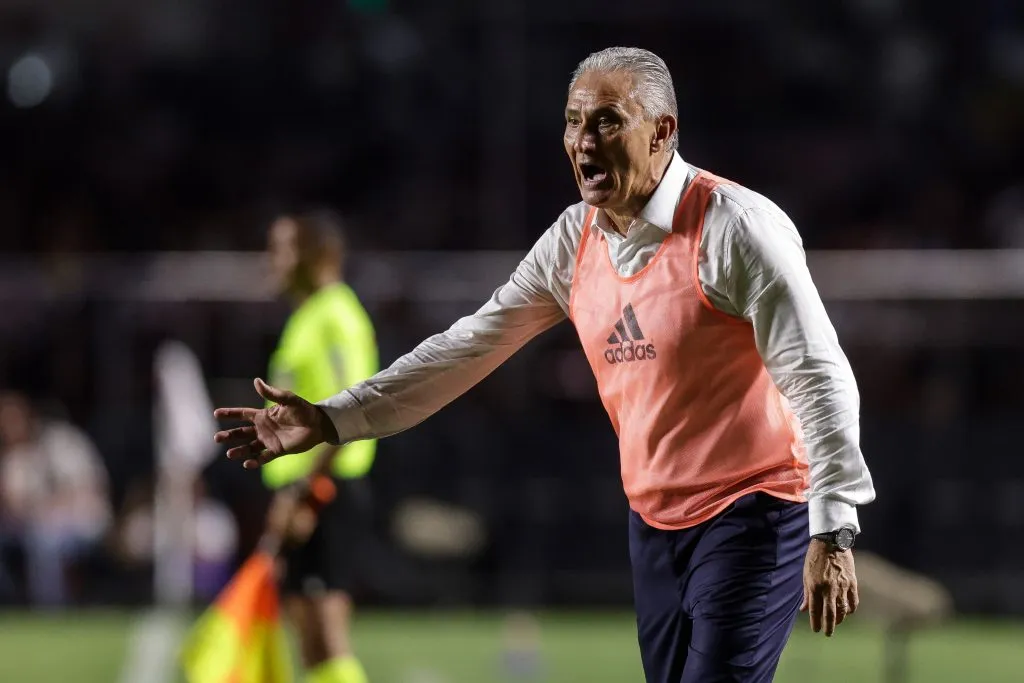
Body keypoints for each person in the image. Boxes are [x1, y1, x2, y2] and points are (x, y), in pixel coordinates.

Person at [215, 47, 875, 683]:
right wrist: (334, 418)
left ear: (663, 132)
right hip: (653, 520)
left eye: (607, 121)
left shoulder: (735, 227)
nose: (583, 141)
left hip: (756, 508)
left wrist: (834, 524)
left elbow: (819, 374)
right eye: (573, 122)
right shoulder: (574, 239)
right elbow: (469, 346)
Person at [260, 210, 379, 683]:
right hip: (302, 488)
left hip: (326, 489)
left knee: (327, 633)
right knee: (308, 636)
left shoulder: (337, 316)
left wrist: (306, 494)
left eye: (284, 248)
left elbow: (352, 406)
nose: (274, 260)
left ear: (319, 255)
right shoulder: (306, 317)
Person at [0, 391, 112, 608]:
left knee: (45, 541)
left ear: (28, 416)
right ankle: (9, 604)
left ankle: (51, 609)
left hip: (82, 521)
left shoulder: (62, 441)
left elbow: (89, 487)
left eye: (12, 420)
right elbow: (13, 505)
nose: (8, 429)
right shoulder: (13, 457)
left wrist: (47, 506)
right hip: (30, 528)